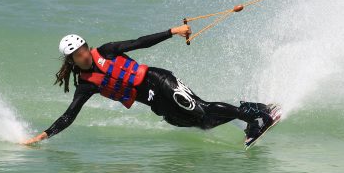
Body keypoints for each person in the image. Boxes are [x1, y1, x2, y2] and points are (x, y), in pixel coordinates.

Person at [20, 26, 277, 147]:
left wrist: (173, 31)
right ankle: (250, 109)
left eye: (84, 49)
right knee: (202, 123)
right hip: (155, 103)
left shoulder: (107, 51)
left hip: (159, 81)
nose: (84, 55)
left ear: (88, 47)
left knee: (200, 108)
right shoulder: (86, 86)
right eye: (77, 54)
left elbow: (140, 42)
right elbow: (69, 115)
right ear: (72, 60)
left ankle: (257, 117)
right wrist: (43, 135)